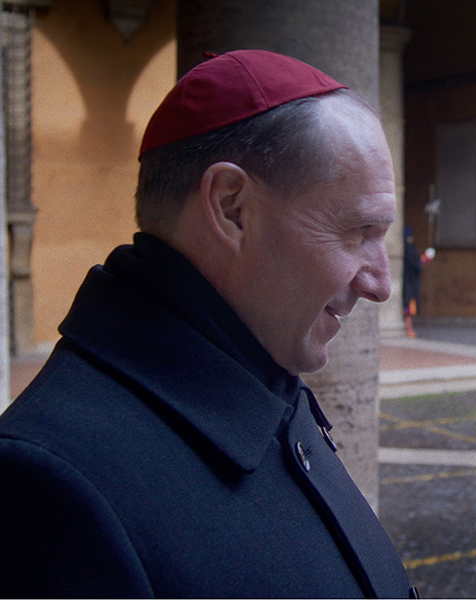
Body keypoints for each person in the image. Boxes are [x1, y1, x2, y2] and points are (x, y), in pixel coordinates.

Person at [0, 50, 417, 598]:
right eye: (358, 231)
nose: (381, 284)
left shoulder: (264, 378)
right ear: (231, 207)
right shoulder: (46, 488)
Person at [402, 225, 433, 338]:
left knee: (409, 305)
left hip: (408, 280)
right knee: (409, 306)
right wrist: (426, 258)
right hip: (410, 281)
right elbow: (417, 264)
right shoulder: (409, 248)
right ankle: (408, 329)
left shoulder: (405, 247)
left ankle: (409, 329)